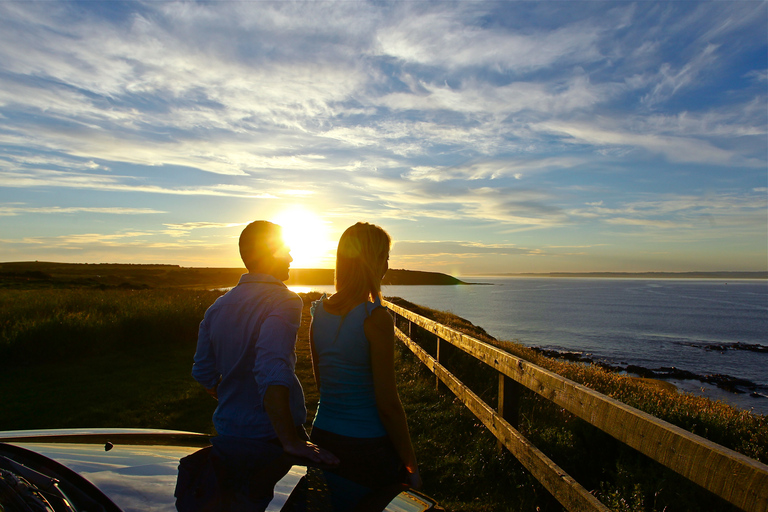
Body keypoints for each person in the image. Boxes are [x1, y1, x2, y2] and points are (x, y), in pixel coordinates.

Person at [191, 220, 338, 511]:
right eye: (286, 250)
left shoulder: (217, 307)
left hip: (227, 437)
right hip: (271, 441)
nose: (292, 258)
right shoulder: (283, 300)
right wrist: (290, 441)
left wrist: (234, 398)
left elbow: (203, 371)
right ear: (269, 254)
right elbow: (272, 368)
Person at [309, 222, 421, 511]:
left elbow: (322, 384)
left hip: (323, 435)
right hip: (367, 446)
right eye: (384, 256)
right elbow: (388, 405)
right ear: (372, 262)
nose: (387, 264)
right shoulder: (375, 319)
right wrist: (411, 464)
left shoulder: (318, 311)